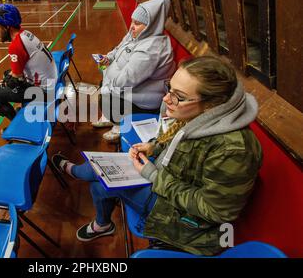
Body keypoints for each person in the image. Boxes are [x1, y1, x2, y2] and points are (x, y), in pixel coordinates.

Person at [53, 57, 263, 256]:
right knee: (100, 179)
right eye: (169, 89)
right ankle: (96, 209)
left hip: (188, 222)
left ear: (211, 105)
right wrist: (154, 146)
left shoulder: (234, 150)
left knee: (98, 181)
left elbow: (215, 211)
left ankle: (77, 177)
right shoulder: (198, 114)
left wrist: (154, 176)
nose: (165, 99)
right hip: (167, 180)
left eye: (178, 96)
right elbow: (177, 142)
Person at [93, 0, 176, 142]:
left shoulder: (151, 50)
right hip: (133, 88)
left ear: (152, 25)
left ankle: (119, 126)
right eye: (132, 21)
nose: (132, 26)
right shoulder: (136, 35)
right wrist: (109, 58)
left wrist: (106, 69)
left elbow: (123, 81)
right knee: (104, 86)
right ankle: (113, 119)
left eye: (137, 23)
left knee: (108, 97)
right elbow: (118, 49)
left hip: (144, 100)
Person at [0, 4, 57, 120]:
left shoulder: (16, 46)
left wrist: (4, 83)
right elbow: (16, 74)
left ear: (7, 26)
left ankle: (16, 122)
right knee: (6, 74)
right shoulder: (25, 33)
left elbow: (16, 80)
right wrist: (6, 80)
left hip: (44, 92)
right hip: (51, 82)